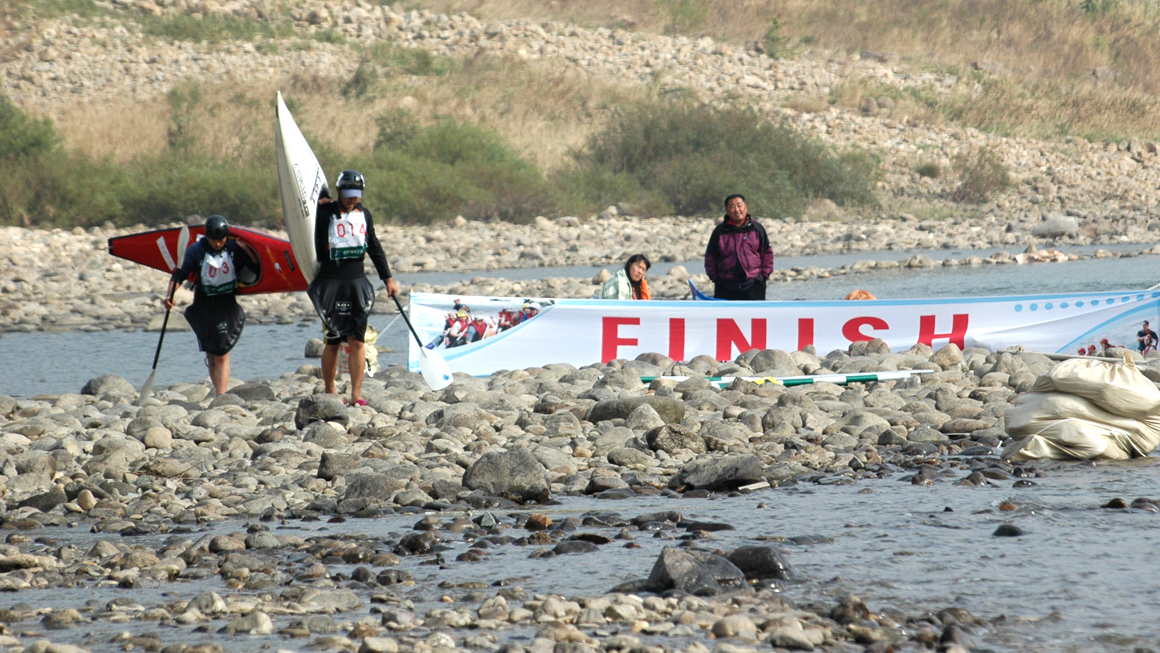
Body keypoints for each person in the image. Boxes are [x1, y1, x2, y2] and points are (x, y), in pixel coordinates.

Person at [307, 170, 399, 406]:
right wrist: (319, 202)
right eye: (348, 194)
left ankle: (356, 394)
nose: (352, 199)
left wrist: (387, 278)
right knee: (333, 340)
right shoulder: (324, 213)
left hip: (356, 282)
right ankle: (330, 390)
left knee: (357, 342)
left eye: (356, 195)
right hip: (330, 282)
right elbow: (305, 217)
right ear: (339, 192)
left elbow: (374, 246)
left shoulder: (364, 215)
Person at [166, 215, 258, 396]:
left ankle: (220, 396)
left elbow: (255, 267)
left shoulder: (233, 248)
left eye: (221, 240)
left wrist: (246, 248)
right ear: (207, 237)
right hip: (203, 303)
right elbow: (180, 274)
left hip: (226, 303)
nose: (217, 244)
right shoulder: (196, 251)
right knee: (211, 352)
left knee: (222, 352)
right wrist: (170, 295)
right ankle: (218, 391)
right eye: (214, 240)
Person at [704, 194, 774, 300]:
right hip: (725, 286)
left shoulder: (757, 228)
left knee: (754, 316)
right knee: (726, 316)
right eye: (732, 206)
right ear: (727, 210)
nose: (737, 210)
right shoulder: (720, 231)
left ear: (746, 207)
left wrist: (763, 276)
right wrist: (716, 278)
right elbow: (710, 257)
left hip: (753, 284)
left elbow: (767, 253)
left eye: (739, 205)